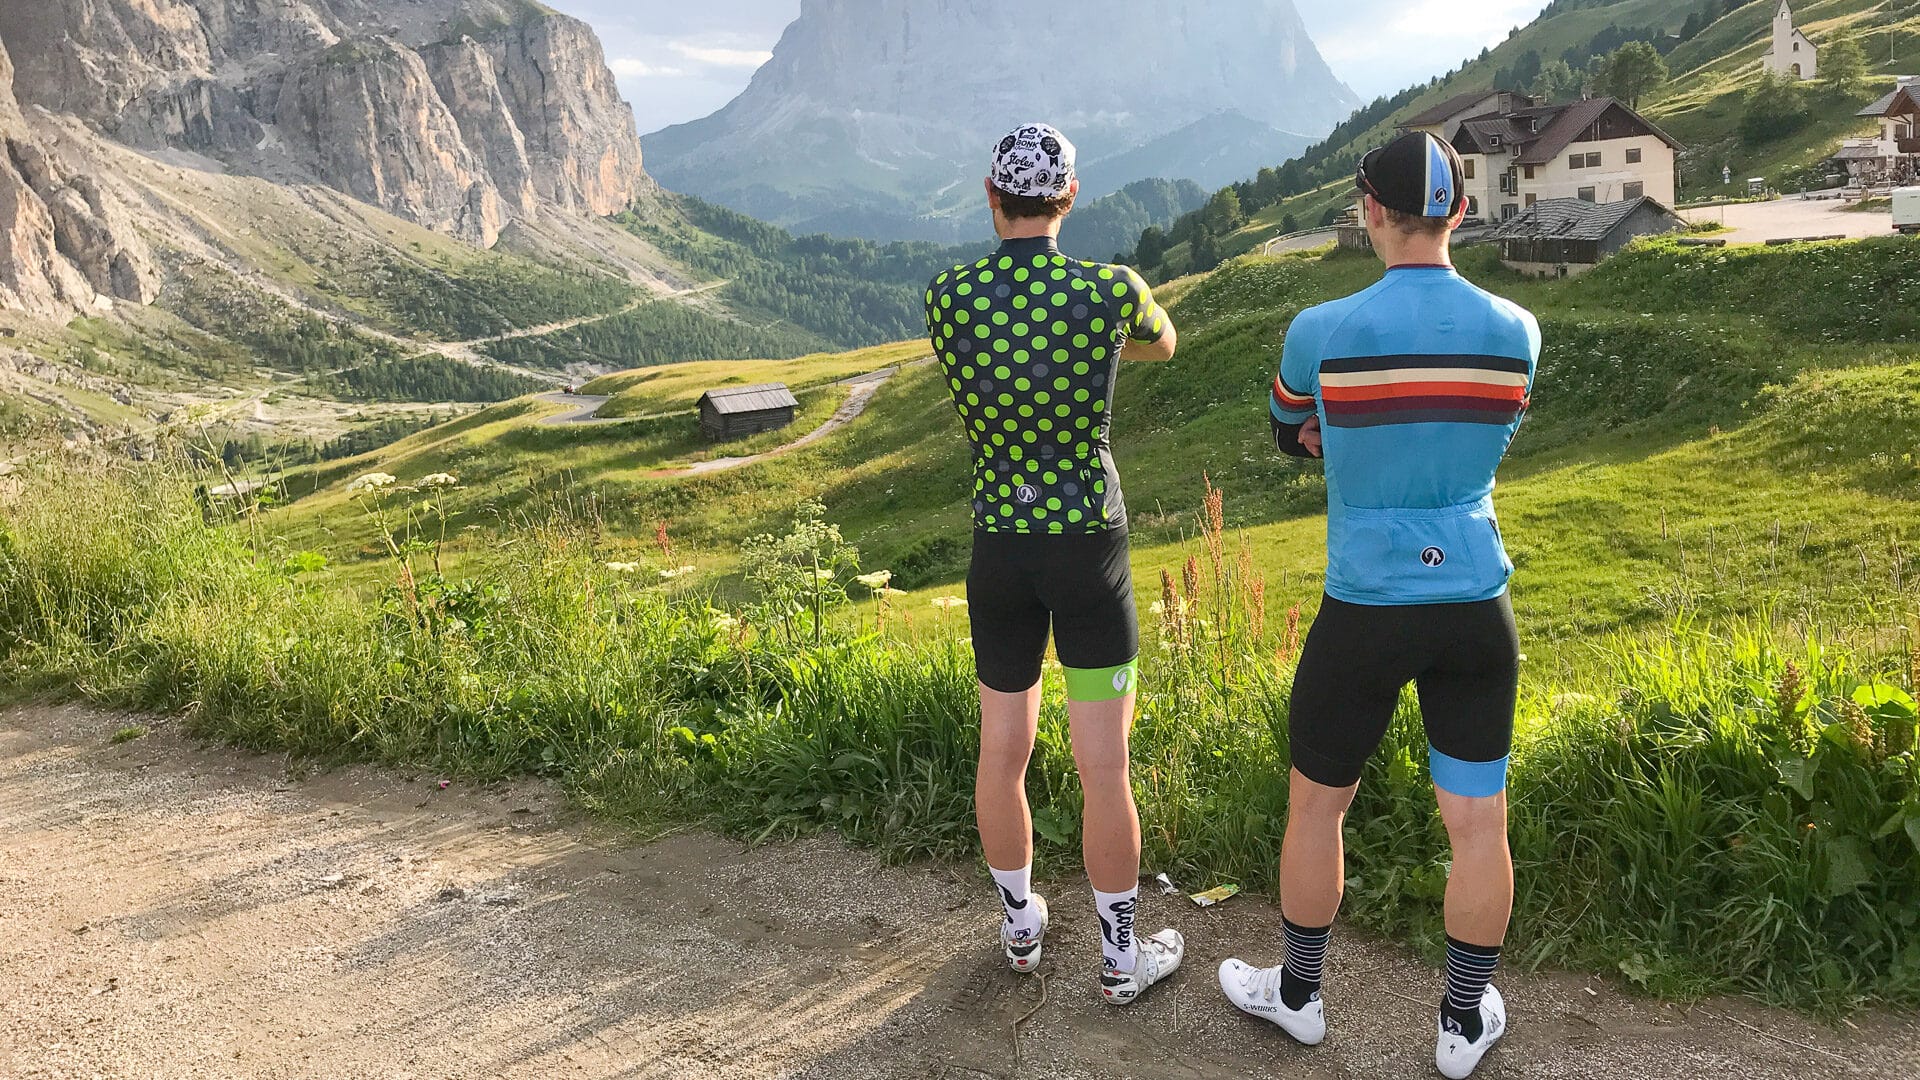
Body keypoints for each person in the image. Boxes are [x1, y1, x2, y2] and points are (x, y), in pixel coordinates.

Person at [1215, 131, 1540, 1080]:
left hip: (1364, 602)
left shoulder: (1321, 330)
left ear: (1369, 212)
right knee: (1480, 824)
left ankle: (1302, 998)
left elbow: (1289, 430)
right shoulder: (1518, 328)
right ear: (1461, 214)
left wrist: (1333, 435)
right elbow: (1492, 419)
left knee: (1317, 811)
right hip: (1475, 598)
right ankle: (1461, 1022)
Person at [924, 122, 1183, 1005]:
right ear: (1070, 198)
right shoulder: (1112, 290)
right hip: (1088, 544)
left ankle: (1020, 925)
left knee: (1003, 751)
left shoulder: (947, 297)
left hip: (1000, 543)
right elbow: (1166, 345)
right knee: (1104, 765)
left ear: (991, 198)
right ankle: (1120, 958)